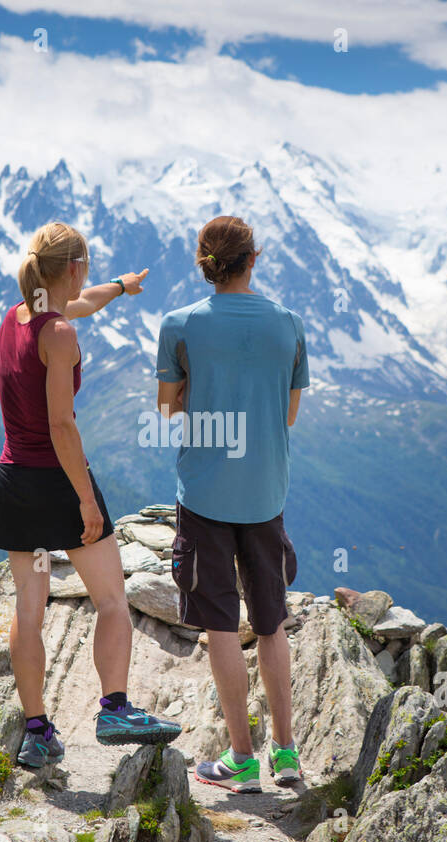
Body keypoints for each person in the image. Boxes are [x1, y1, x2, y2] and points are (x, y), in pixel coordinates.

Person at [0, 221, 182, 768]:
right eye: (88, 267)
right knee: (112, 600)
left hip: (14, 484)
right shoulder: (60, 335)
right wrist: (87, 504)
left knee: (30, 610)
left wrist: (120, 285)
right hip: (59, 482)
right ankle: (114, 709)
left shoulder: (18, 317)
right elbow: (62, 426)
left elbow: (82, 304)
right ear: (73, 268)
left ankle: (37, 731)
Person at [154, 215, 309, 793]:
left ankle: (241, 760)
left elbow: (169, 408)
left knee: (220, 624)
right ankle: (287, 754)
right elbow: (289, 413)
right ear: (254, 258)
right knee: (271, 624)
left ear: (204, 264)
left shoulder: (180, 325)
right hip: (266, 496)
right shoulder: (289, 325)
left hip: (204, 497)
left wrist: (205, 388)